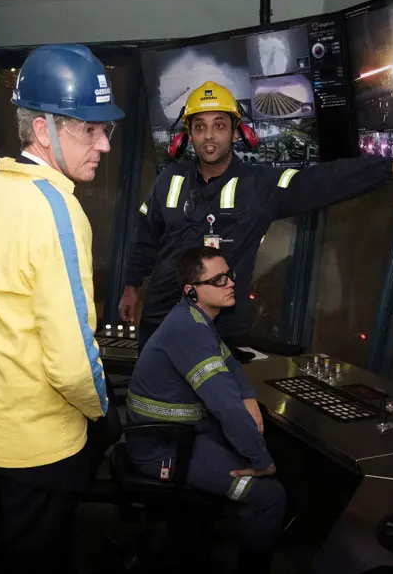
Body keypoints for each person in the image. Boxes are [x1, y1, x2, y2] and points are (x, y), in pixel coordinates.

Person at [0, 44, 123, 572]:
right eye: (89, 129)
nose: (103, 144)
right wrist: (101, 409)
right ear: (43, 131)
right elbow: (71, 359)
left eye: (105, 129)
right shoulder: (58, 211)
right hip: (35, 447)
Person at [119, 80, 393, 350]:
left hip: (218, 331)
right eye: (200, 126)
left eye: (219, 125)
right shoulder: (169, 180)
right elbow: (146, 237)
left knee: (214, 419)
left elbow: (324, 181)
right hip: (161, 320)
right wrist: (131, 287)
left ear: (237, 133)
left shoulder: (259, 185)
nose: (209, 136)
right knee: (155, 409)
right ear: (188, 135)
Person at [125, 245, 286, 574]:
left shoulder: (195, 319)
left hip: (181, 438)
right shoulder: (189, 330)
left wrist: (250, 399)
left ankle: (189, 546)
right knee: (270, 494)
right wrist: (261, 461)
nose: (230, 283)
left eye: (230, 275)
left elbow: (232, 367)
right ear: (191, 290)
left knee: (245, 447)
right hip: (163, 450)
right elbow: (225, 405)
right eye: (219, 279)